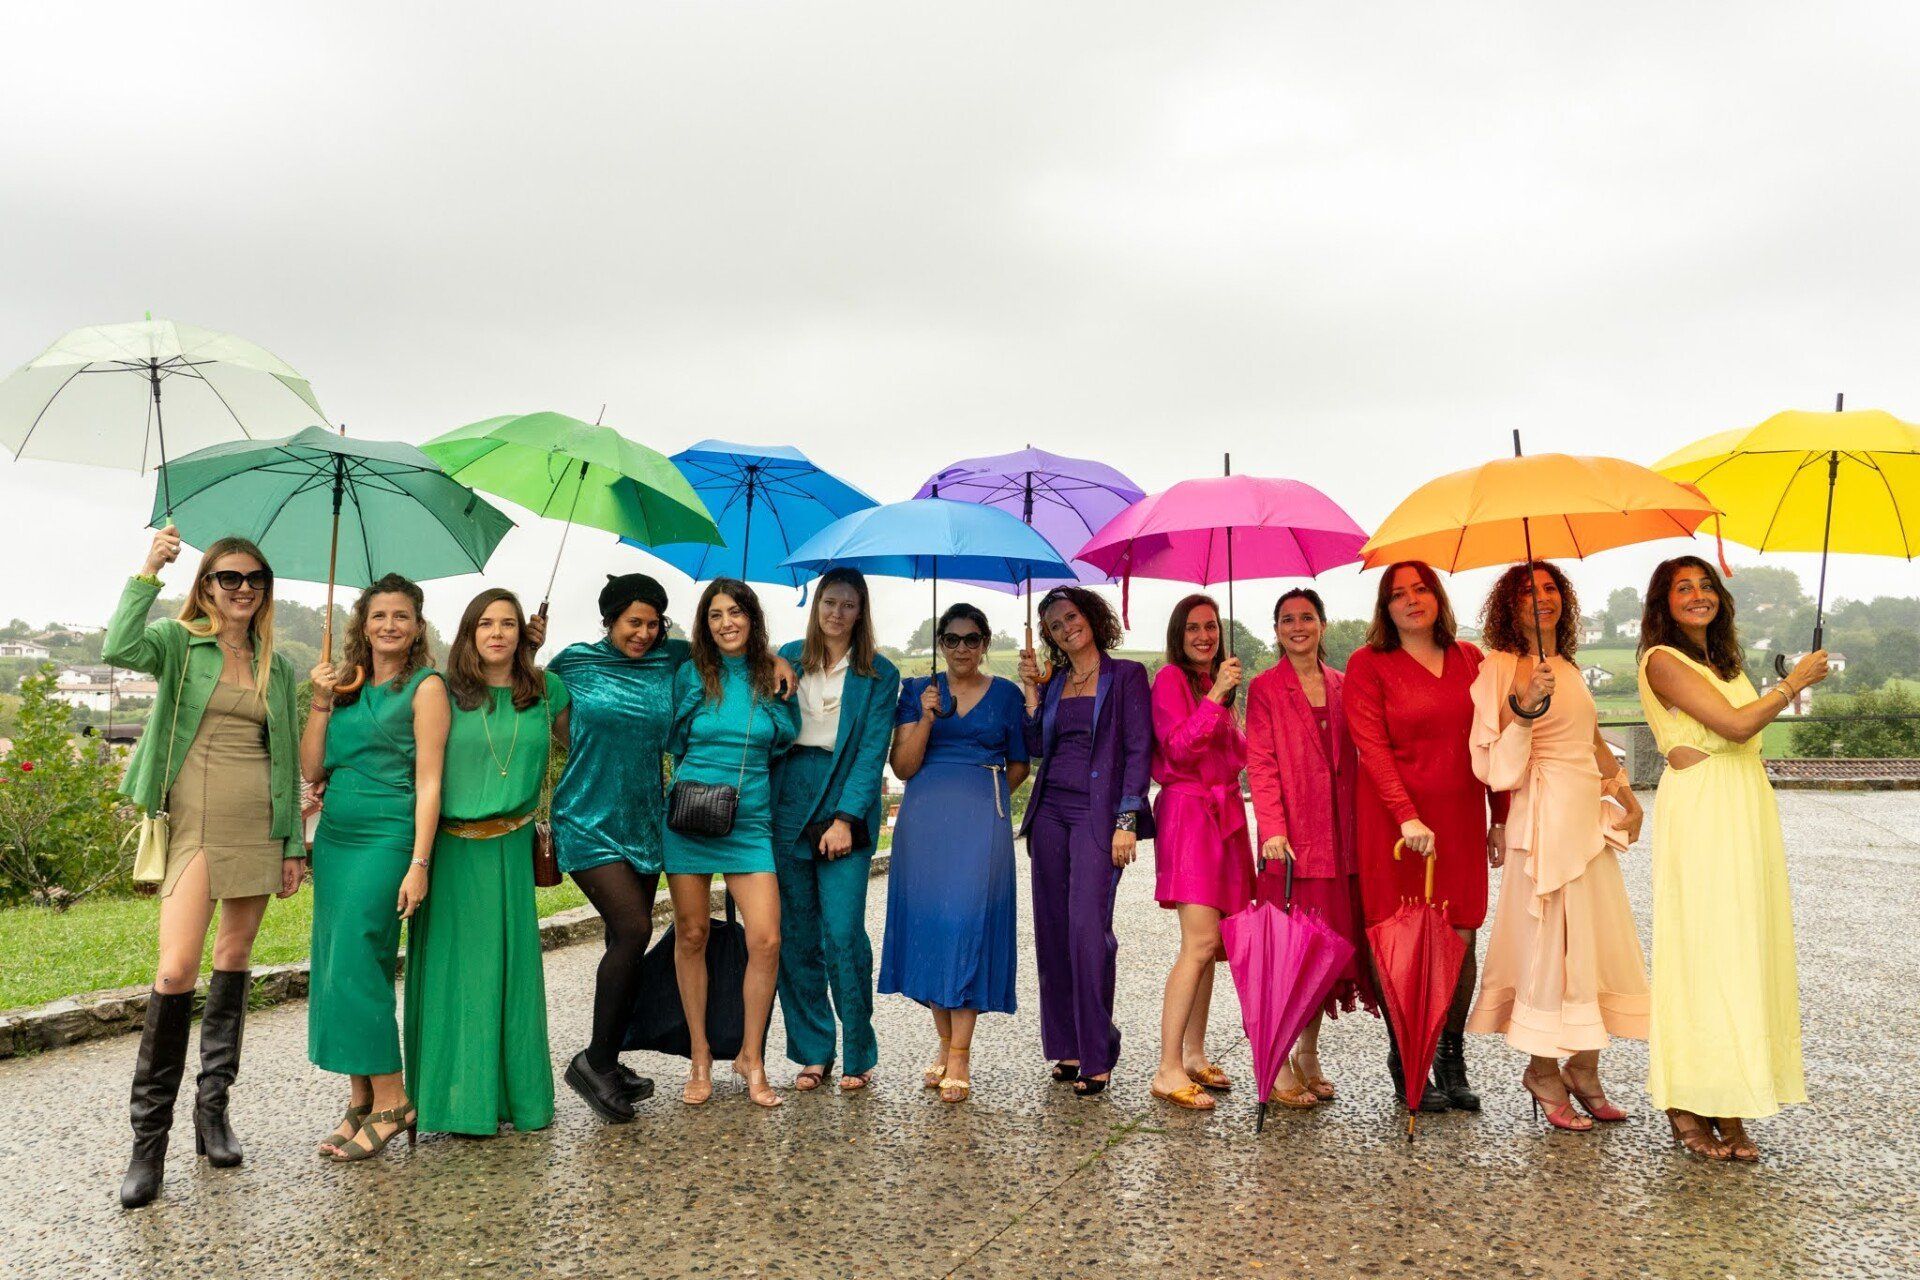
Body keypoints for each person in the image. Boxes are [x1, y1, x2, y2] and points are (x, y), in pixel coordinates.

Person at [534, 575, 795, 1122]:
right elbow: (538, 704)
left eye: (654, 623)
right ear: (610, 620)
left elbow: (733, 653)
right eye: (634, 622)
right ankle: (619, 1060)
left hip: (663, 819)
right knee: (648, 931)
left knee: (753, 939)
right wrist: (528, 650)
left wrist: (771, 656)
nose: (645, 633)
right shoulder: (578, 662)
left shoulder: (674, 658)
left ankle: (709, 1058)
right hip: (613, 815)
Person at [105, 525, 304, 1208]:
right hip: (192, 825)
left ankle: (212, 1113)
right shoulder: (177, 642)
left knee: (234, 958)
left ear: (266, 589)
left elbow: (285, 758)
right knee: (175, 970)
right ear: (208, 586)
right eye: (229, 577)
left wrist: (292, 843)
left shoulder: (278, 665)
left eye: (255, 579)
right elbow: (118, 646)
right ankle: (147, 1146)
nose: (243, 588)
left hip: (259, 825)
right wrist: (148, 570)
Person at [1636, 556, 1827, 1162]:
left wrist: (1782, 691)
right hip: (1704, 808)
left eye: (1706, 585)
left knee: (1744, 950)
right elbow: (1736, 725)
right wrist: (1794, 683)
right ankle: (1686, 1099)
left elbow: (1747, 733)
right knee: (1704, 951)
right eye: (1683, 588)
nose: (1698, 595)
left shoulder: (1726, 660)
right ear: (1664, 603)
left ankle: (1730, 1098)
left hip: (1746, 802)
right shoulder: (1662, 661)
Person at [1464, 563, 1649, 1132]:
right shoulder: (1498, 668)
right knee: (1548, 947)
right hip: (1542, 819)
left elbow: (1592, 740)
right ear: (1509, 606)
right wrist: (1525, 702)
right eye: (1528, 591)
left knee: (1593, 941)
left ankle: (1585, 1068)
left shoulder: (1567, 665)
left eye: (1550, 588)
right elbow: (1495, 765)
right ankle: (1543, 1070)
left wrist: (1626, 794)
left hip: (1586, 818)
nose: (1542, 598)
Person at [402, 589, 568, 1137]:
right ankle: (455, 1102)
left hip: (512, 852)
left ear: (524, 632)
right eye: (486, 624)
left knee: (511, 978)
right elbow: (420, 775)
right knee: (456, 978)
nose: (497, 633)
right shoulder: (443, 692)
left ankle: (516, 1098)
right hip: (452, 852)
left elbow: (588, 743)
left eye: (509, 624)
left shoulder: (546, 690)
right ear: (469, 633)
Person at [1344, 560, 1508, 1114]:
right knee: (1398, 942)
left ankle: (1450, 1059)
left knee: (1460, 937)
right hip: (1394, 827)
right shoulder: (1367, 664)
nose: (1412, 600)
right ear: (1385, 608)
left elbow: (1493, 742)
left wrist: (1499, 816)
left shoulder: (1471, 659)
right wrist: (1406, 815)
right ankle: (1404, 1057)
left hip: (1459, 818)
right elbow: (1371, 747)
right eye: (1398, 594)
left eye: (1421, 589)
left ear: (1437, 597)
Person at [304, 574, 449, 1162]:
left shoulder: (426, 687)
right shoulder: (343, 685)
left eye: (401, 616)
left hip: (388, 835)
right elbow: (313, 767)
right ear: (362, 625)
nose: (390, 625)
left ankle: (393, 1099)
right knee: (335, 963)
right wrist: (320, 700)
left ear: (417, 627)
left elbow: (431, 781)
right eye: (379, 615)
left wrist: (419, 862)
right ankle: (360, 1097)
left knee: (360, 960)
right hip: (336, 837)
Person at [880, 602, 1031, 1104]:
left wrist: (983, 800)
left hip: (981, 822)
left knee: (969, 922)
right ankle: (945, 1044)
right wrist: (925, 717)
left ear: (985, 643)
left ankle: (962, 1053)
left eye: (971, 639)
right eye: (952, 639)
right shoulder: (915, 691)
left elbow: (1019, 764)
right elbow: (903, 766)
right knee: (933, 927)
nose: (961, 647)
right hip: (923, 823)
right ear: (940, 643)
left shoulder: (1006, 694)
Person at [664, 578, 799, 1109]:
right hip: (690, 817)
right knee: (692, 934)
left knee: (766, 939)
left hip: (749, 823)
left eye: (736, 612)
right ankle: (699, 1055)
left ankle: (750, 1056)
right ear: (705, 623)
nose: (727, 623)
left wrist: (772, 663)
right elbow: (674, 739)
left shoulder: (773, 675)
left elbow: (785, 735)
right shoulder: (691, 673)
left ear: (752, 618)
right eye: (716, 614)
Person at [1244, 587, 1378, 1109]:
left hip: (1342, 843)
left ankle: (1308, 1052)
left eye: (1306, 617)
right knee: (1290, 960)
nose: (1297, 626)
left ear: (1322, 624)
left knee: (1325, 958)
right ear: (1276, 630)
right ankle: (1276, 1063)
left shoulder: (1345, 684)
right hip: (1292, 848)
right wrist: (1272, 829)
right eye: (1286, 619)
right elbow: (1261, 762)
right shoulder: (1265, 688)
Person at [1015, 586, 1152, 1098]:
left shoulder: (1127, 675)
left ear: (1090, 617)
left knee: (1088, 931)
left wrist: (1127, 819)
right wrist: (1031, 693)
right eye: (1055, 625)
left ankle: (1098, 1050)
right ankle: (1068, 1048)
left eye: (1071, 616)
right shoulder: (1054, 682)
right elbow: (1035, 746)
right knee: (1052, 931)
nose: (1066, 627)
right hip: (1049, 813)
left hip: (1098, 817)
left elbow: (1139, 750)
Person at [772, 568, 899, 1093]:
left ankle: (858, 1051)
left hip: (845, 793)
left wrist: (846, 818)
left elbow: (872, 751)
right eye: (829, 602)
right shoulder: (787, 656)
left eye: (848, 604)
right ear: (816, 604)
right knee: (796, 934)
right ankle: (812, 1050)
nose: (837, 613)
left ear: (861, 611)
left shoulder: (879, 673)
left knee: (843, 932)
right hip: (788, 795)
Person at [1148, 594, 1252, 1113]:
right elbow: (1178, 748)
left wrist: (1227, 703)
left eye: (1211, 626)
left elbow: (1236, 756)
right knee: (1199, 941)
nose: (1204, 636)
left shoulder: (1217, 686)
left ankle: (1193, 1053)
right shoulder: (1171, 680)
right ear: (1178, 634)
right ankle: (1166, 1068)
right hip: (1189, 816)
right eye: (1193, 628)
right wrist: (1215, 696)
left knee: (1211, 944)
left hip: (1225, 817)